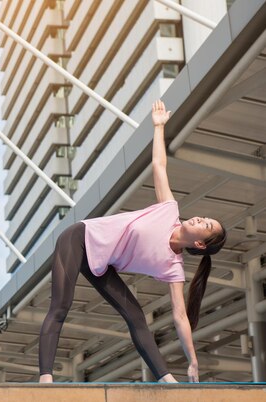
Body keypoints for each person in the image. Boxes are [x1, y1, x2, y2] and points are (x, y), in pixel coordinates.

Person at [38, 100, 227, 383]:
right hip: (80, 238)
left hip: (100, 264)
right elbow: (159, 165)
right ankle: (45, 380)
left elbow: (180, 316)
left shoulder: (173, 267)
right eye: (205, 217)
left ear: (200, 244)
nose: (200, 218)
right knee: (61, 305)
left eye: (206, 225)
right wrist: (159, 127)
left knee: (136, 316)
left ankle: (167, 380)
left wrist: (193, 360)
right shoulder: (169, 210)